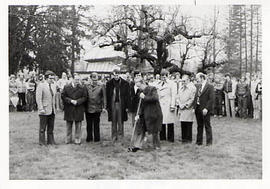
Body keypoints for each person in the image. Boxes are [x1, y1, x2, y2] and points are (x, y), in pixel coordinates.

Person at [129, 78, 163, 151]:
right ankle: (137, 146)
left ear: (143, 83)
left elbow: (155, 98)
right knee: (141, 130)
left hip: (154, 114)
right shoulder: (140, 92)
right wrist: (138, 114)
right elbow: (140, 105)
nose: (139, 88)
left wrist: (144, 97)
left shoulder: (152, 89)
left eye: (139, 86)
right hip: (144, 114)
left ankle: (156, 146)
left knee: (154, 131)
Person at [62, 75, 87, 144]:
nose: (77, 81)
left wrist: (78, 101)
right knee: (69, 125)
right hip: (69, 108)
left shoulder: (82, 88)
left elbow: (85, 97)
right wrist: (70, 101)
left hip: (78, 108)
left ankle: (77, 139)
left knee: (78, 125)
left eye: (78, 80)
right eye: (76, 79)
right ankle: (68, 139)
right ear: (72, 79)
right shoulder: (66, 87)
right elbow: (63, 96)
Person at [106, 69, 130, 142]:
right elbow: (107, 95)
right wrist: (107, 106)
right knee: (113, 120)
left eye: (117, 75)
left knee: (120, 120)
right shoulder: (109, 83)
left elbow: (128, 96)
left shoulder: (125, 83)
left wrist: (127, 106)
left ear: (119, 75)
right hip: (112, 104)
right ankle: (114, 136)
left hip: (121, 104)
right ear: (113, 75)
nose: (116, 76)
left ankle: (120, 136)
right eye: (114, 75)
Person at [36, 70, 57, 145]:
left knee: (51, 127)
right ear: (46, 78)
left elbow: (54, 98)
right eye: (50, 78)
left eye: (53, 78)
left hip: (52, 110)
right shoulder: (41, 85)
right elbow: (38, 98)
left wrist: (55, 108)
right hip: (44, 110)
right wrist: (41, 108)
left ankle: (51, 141)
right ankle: (42, 142)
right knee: (42, 128)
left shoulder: (54, 86)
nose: (52, 80)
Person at [194, 72, 214, 146]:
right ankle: (199, 142)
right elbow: (196, 97)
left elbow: (211, 99)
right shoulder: (197, 86)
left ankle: (209, 142)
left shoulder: (210, 86)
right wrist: (194, 107)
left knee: (207, 125)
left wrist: (206, 108)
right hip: (198, 108)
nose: (197, 80)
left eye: (198, 79)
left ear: (202, 78)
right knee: (199, 125)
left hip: (205, 109)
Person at [85, 72, 106, 142]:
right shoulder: (86, 85)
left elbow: (104, 97)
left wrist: (104, 107)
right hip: (88, 107)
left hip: (97, 107)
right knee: (89, 124)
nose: (95, 81)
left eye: (96, 79)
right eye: (93, 80)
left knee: (96, 124)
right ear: (90, 79)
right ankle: (89, 137)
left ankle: (97, 138)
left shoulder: (102, 85)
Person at [156, 69, 176, 142]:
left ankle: (171, 138)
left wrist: (172, 105)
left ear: (168, 76)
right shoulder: (158, 83)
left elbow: (174, 95)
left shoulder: (172, 83)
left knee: (170, 121)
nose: (164, 77)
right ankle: (162, 137)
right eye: (162, 76)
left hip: (169, 104)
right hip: (161, 104)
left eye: (165, 76)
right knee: (162, 121)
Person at [176, 74, 196, 143]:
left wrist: (185, 105)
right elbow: (177, 97)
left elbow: (192, 99)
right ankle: (183, 138)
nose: (183, 82)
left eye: (184, 81)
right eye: (182, 81)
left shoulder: (192, 87)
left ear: (188, 80)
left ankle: (188, 139)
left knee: (188, 123)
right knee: (183, 123)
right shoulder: (181, 87)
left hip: (188, 108)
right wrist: (179, 104)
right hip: (181, 108)